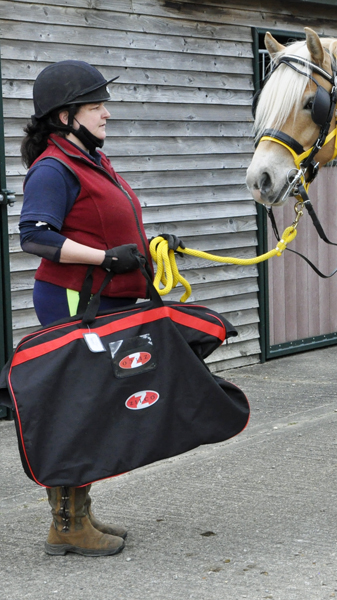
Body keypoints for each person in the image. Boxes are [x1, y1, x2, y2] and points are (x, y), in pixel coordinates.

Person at [19, 60, 152, 555]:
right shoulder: (52, 169)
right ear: (64, 116)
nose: (106, 115)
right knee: (77, 409)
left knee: (94, 406)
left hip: (103, 298)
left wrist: (148, 245)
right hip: (75, 299)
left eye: (103, 105)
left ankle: (80, 511)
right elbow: (35, 235)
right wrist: (104, 258)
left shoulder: (91, 161)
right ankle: (67, 526)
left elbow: (105, 225)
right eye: (95, 107)